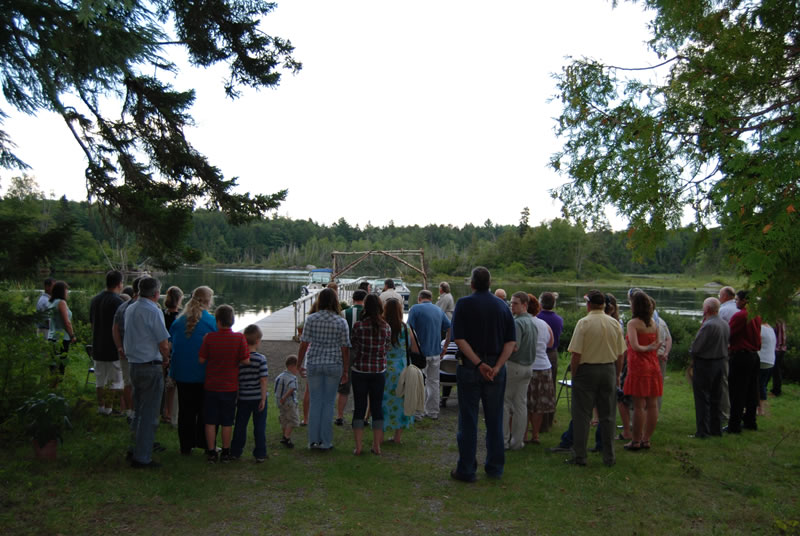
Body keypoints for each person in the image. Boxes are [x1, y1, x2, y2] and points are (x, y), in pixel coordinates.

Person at [450, 267, 516, 482]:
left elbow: (458, 338)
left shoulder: (464, 304)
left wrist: (478, 363)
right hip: (496, 368)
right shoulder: (502, 306)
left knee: (468, 419)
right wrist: (496, 367)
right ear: (490, 283)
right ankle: (495, 467)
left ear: (472, 283)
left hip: (470, 366)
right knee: (495, 418)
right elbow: (510, 342)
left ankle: (467, 469)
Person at [566, 289, 626, 467]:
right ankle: (609, 457)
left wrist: (575, 374)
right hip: (608, 369)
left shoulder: (583, 323)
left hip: (587, 370)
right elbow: (621, 353)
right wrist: (617, 374)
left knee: (582, 415)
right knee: (608, 416)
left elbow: (576, 354)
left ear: (589, 304)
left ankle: (580, 456)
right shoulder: (614, 323)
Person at [123, 277, 170, 468]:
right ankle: (142, 457)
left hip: (134, 364)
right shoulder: (153, 310)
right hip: (150, 365)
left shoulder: (131, 308)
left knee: (139, 410)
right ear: (156, 294)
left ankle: (136, 446)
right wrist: (166, 358)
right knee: (150, 414)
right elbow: (163, 342)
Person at [298, 288, 351, 450]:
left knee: (315, 402)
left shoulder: (311, 319)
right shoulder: (341, 321)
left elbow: (304, 343)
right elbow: (345, 348)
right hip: (334, 364)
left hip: (314, 362)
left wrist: (300, 363)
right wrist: (346, 370)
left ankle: (313, 440)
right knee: (328, 403)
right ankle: (326, 442)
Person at [199, 304, 250, 463]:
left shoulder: (209, 338)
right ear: (232, 321)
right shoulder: (239, 338)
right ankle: (226, 452)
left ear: (218, 321)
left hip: (211, 385)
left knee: (210, 420)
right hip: (230, 386)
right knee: (227, 420)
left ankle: (212, 451)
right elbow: (245, 360)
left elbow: (201, 360)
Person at [169, 286, 216, 455]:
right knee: (204, 411)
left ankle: (185, 446)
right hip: (204, 373)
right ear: (208, 301)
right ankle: (204, 443)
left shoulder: (178, 321)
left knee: (186, 411)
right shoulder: (211, 322)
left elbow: (171, 346)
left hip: (182, 373)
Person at [350, 294, 391, 455]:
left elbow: (354, 346)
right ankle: (376, 445)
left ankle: (359, 447)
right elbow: (386, 348)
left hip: (360, 370)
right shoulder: (386, 327)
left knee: (359, 408)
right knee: (377, 407)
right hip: (378, 371)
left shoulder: (358, 326)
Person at [623, 291, 663, 451]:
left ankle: (636, 440)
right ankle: (647, 439)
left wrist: (645, 348)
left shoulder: (633, 324)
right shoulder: (653, 323)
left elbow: (634, 346)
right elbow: (658, 342)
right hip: (653, 365)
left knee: (639, 405)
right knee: (652, 404)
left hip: (639, 366)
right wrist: (652, 348)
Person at [407, 289, 451, 420]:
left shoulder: (415, 309)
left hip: (420, 353)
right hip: (436, 352)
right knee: (434, 382)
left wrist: (411, 348)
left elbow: (409, 330)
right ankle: (433, 412)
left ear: (419, 298)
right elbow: (449, 328)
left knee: (419, 383)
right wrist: (445, 347)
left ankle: (418, 413)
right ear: (431, 299)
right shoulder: (439, 310)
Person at [689, 297, 729, 438]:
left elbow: (696, 348)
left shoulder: (708, 325)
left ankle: (703, 431)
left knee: (702, 398)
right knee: (715, 397)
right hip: (720, 363)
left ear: (706, 309)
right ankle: (716, 429)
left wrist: (691, 352)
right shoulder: (724, 324)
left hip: (706, 364)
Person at [503, 292, 537, 450]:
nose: (512, 305)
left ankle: (503, 440)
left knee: (505, 403)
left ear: (525, 305)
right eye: (511, 302)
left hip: (515, 365)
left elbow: (513, 346)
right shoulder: (532, 321)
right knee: (520, 405)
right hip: (528, 366)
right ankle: (517, 442)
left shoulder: (517, 323)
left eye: (515, 303)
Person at [231, 325, 269, 462]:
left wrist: (237, 396)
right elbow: (263, 379)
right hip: (258, 397)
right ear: (258, 340)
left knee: (240, 425)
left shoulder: (240, 359)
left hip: (243, 397)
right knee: (259, 426)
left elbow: (237, 379)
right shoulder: (261, 359)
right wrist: (263, 398)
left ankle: (235, 451)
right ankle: (260, 453)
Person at [383, 297, 418, 444]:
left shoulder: (383, 326)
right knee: (402, 401)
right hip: (402, 368)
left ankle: (382, 432)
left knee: (383, 401)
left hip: (385, 368)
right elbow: (415, 348)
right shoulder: (406, 328)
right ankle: (397, 436)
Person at [725, 290, 761, 434]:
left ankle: (734, 424)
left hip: (741, 356)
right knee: (752, 390)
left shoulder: (741, 316)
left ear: (745, 301)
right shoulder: (757, 316)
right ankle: (750, 421)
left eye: (737, 300)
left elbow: (729, 333)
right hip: (754, 356)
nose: (736, 302)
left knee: (737, 391)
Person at [89, 270, 125, 415]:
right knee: (114, 380)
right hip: (112, 347)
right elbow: (120, 326)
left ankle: (101, 406)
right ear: (119, 284)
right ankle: (109, 409)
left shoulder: (95, 300)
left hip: (97, 344)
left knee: (100, 379)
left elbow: (92, 322)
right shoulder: (118, 302)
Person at [525, 294, 555, 445]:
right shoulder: (544, 324)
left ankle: (523, 433)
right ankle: (535, 434)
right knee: (538, 404)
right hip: (544, 366)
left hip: (528, 366)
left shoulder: (521, 323)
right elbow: (551, 343)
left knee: (524, 402)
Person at [114, 276, 145, 419]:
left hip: (125, 351)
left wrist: (119, 347)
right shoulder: (147, 308)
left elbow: (114, 329)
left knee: (128, 382)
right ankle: (137, 412)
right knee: (139, 384)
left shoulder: (123, 306)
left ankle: (130, 412)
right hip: (140, 354)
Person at [335, 289, 366, 426]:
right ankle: (362, 416)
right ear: (364, 300)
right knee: (363, 387)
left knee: (344, 386)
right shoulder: (368, 314)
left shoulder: (344, 313)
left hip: (346, 351)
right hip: (363, 351)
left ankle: (340, 416)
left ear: (353, 299)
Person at [537, 291, 563, 433]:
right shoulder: (559, 319)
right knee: (550, 387)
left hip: (540, 353)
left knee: (537, 388)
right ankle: (548, 420)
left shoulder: (537, 317)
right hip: (553, 354)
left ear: (541, 303)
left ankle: (538, 423)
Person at [162, 285, 183, 423]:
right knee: (172, 386)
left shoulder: (161, 314)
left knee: (165, 385)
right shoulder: (180, 318)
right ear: (179, 299)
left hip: (161, 351)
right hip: (172, 352)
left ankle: (165, 411)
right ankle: (170, 413)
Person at [46, 281, 76, 375]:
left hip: (51, 336)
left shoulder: (51, 302)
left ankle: (52, 385)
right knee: (60, 365)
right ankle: (56, 386)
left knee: (53, 364)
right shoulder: (61, 303)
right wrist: (72, 335)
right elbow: (66, 322)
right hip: (62, 338)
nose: (67, 292)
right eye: (66, 290)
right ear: (61, 291)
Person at [716, 285, 736, 422]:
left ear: (725, 296)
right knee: (734, 381)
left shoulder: (723, 310)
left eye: (719, 295)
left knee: (722, 381)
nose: (719, 297)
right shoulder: (738, 309)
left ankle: (724, 412)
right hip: (738, 351)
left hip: (724, 350)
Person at [275, 355, 301, 448]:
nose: (298, 370)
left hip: (280, 403)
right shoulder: (292, 377)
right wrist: (284, 397)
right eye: (297, 367)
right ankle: (286, 438)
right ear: (292, 367)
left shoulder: (280, 376)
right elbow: (292, 388)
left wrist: (280, 399)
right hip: (288, 402)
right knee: (294, 420)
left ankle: (285, 436)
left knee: (284, 419)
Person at [757, 321, 776, 417]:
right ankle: (760, 407)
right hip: (770, 360)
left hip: (762, 359)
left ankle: (760, 409)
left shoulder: (760, 328)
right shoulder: (770, 328)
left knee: (759, 385)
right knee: (763, 384)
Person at [656, 313, 672, 412]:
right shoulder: (661, 321)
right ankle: (656, 411)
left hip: (653, 356)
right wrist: (666, 353)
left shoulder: (645, 322)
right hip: (662, 356)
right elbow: (669, 339)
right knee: (659, 385)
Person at [771, 321, 787, 397]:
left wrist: (777, 347)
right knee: (776, 370)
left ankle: (776, 391)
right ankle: (775, 389)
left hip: (778, 349)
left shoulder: (778, 321)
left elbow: (780, 338)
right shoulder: (781, 321)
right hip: (780, 349)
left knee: (776, 370)